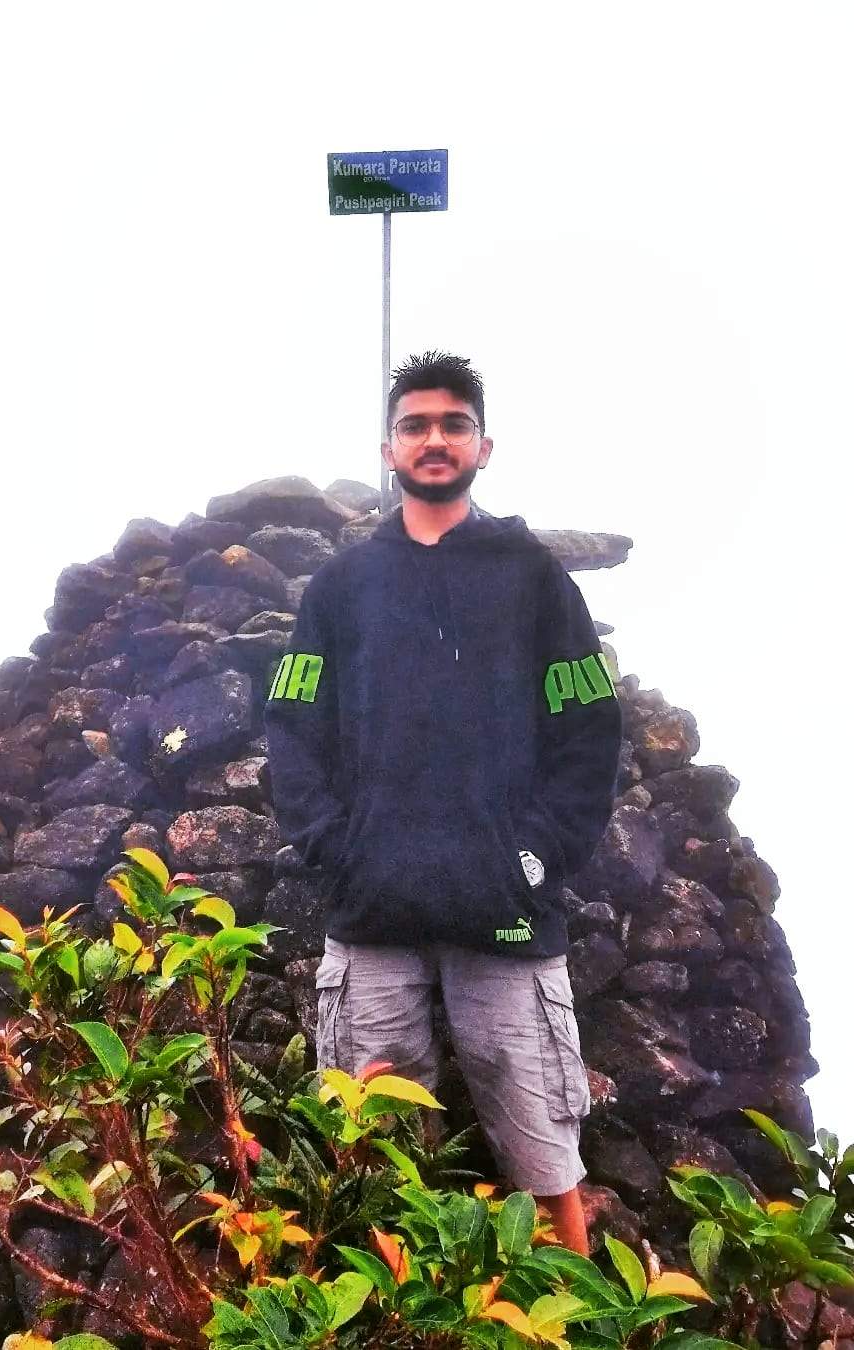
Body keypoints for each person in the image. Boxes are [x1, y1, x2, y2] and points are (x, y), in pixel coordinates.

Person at [262, 350, 622, 1254]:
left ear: (484, 446)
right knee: (381, 1156)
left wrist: (532, 857)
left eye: (452, 424)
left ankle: (583, 1322)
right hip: (373, 913)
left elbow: (589, 732)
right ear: (389, 448)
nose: (434, 439)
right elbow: (294, 731)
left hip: (505, 912)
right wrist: (336, 849)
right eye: (416, 425)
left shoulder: (534, 579)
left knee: (545, 1161)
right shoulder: (342, 587)